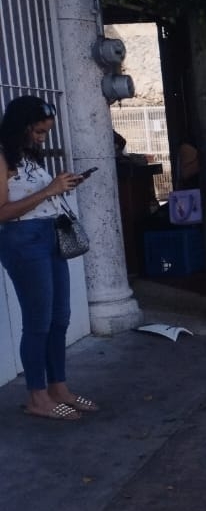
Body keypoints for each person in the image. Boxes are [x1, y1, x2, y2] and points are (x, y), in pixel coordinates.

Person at [0, 96, 96, 420]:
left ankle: (59, 387)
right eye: (38, 132)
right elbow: (2, 212)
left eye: (46, 132)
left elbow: (41, 198)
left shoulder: (28, 157)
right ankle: (37, 397)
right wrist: (49, 190)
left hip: (49, 236)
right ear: (21, 126)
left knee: (60, 316)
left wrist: (64, 186)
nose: (42, 138)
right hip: (22, 240)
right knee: (38, 320)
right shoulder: (2, 158)